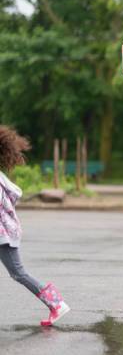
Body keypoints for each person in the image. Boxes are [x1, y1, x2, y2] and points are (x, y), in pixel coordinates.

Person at [0, 125, 70, 326]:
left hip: (4, 234)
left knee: (18, 273)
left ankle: (57, 304)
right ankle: (57, 304)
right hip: (6, 231)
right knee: (18, 272)